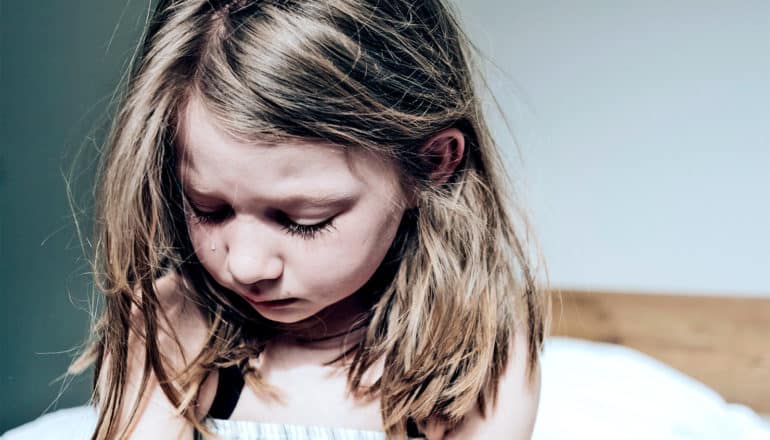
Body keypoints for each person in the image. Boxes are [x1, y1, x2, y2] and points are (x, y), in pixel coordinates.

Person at [70, 0, 549, 438]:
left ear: (431, 165)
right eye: (208, 209)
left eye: (305, 220)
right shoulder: (169, 324)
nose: (247, 265)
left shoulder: (484, 356)